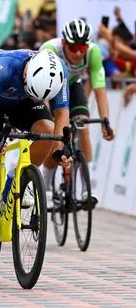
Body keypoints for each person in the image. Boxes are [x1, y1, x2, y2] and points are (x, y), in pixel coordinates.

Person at [0, 49, 71, 265]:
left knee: (47, 130)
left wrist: (60, 149)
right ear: (26, 75)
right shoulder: (2, 68)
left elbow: (61, 114)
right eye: (34, 93)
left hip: (24, 102)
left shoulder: (58, 72)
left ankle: (21, 179)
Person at [40, 19, 114, 194]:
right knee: (55, 136)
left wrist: (106, 122)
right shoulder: (49, 50)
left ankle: (85, 185)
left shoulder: (94, 52)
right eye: (74, 48)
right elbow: (41, 91)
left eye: (83, 48)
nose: (79, 53)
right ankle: (47, 185)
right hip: (50, 88)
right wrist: (49, 120)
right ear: (64, 43)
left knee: (83, 126)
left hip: (73, 86)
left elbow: (100, 89)